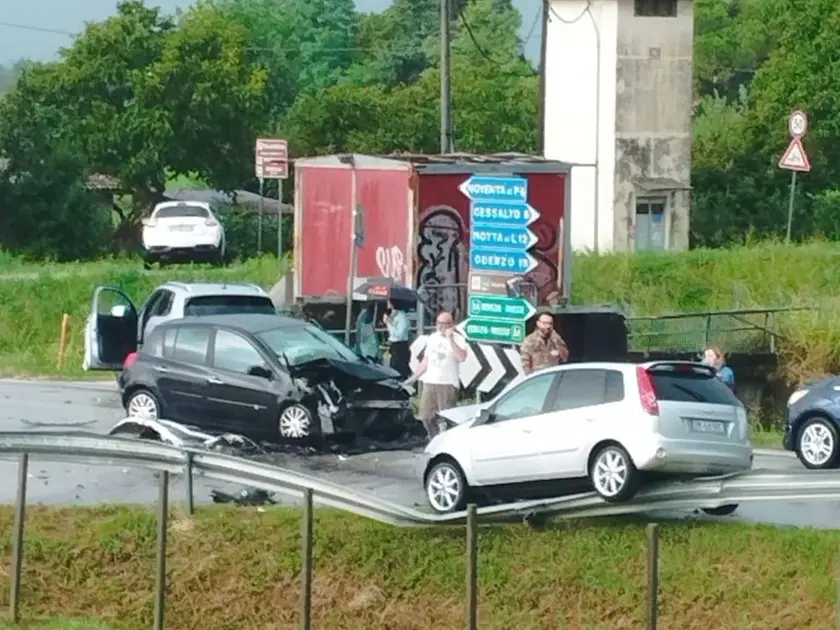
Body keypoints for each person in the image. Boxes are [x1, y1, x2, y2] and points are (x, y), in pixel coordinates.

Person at [410, 311, 467, 438]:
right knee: (425, 416)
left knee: (447, 417)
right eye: (439, 323)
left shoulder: (459, 339)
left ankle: (447, 439)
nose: (441, 326)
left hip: (447, 383)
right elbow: (426, 361)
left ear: (451, 325)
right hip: (430, 381)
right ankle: (434, 437)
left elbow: (462, 357)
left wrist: (450, 339)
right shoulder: (432, 338)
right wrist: (414, 377)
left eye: (445, 323)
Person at [383, 298, 411, 378]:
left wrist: (388, 322)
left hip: (400, 344)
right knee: (393, 366)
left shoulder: (401, 316)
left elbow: (399, 333)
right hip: (394, 344)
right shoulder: (393, 314)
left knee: (399, 368)